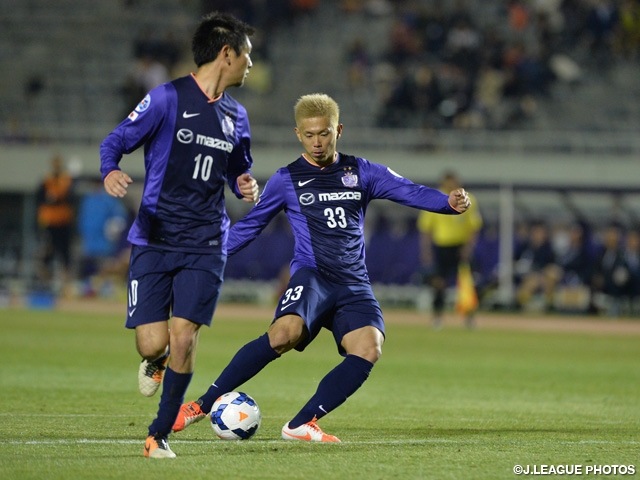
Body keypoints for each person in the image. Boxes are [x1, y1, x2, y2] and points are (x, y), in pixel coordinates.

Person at [171, 93, 470, 442]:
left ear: (338, 130)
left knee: (369, 347)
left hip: (353, 282)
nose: (317, 142)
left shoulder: (362, 171)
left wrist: (447, 203)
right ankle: (201, 404)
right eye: (310, 134)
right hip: (313, 276)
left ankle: (301, 423)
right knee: (284, 334)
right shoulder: (287, 179)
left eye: (324, 133)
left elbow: (409, 190)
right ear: (298, 134)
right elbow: (250, 226)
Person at [100, 12, 259, 459]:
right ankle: (155, 360)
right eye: (247, 54)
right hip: (154, 238)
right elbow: (115, 141)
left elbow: (238, 170)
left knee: (184, 336)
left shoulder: (237, 116)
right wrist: (110, 169)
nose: (251, 63)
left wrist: (244, 184)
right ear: (227, 53)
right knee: (154, 342)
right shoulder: (167, 98)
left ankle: (159, 434)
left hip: (206, 243)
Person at [417, 171, 482, 328]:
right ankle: (437, 316)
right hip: (442, 246)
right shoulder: (434, 198)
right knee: (439, 283)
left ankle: (469, 317)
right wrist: (426, 251)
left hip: (460, 246)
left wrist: (468, 247)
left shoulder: (467, 199)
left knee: (466, 283)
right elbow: (426, 229)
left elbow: (474, 227)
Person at [35, 154, 76, 293]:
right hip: (49, 222)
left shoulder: (67, 180)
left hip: (63, 221)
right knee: (46, 253)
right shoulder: (46, 181)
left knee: (65, 255)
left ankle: (65, 286)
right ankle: (44, 283)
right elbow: (39, 200)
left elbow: (71, 199)